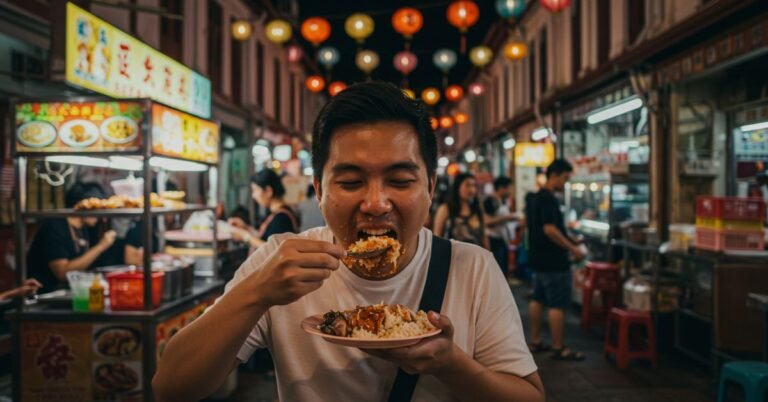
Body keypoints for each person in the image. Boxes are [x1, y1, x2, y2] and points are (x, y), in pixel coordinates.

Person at [153, 82, 544, 402]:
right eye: (351, 182)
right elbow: (170, 386)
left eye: (401, 181)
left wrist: (449, 364)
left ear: (431, 188)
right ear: (318, 190)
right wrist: (255, 294)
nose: (375, 203)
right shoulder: (279, 262)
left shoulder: (471, 267)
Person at [526, 159, 586, 361]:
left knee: (538, 299)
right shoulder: (549, 199)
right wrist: (573, 249)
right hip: (553, 260)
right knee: (557, 304)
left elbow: (545, 227)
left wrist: (570, 238)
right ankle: (558, 347)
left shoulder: (533, 197)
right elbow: (550, 229)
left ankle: (535, 341)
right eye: (565, 178)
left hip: (538, 257)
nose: (565, 183)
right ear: (555, 175)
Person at [27, 183, 117, 292]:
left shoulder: (84, 229)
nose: (100, 216)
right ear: (82, 206)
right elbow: (63, 273)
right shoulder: (54, 226)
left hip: (68, 293)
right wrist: (102, 246)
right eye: (96, 209)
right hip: (44, 295)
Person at [228, 169, 299, 248]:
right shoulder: (277, 214)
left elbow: (272, 249)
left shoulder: (281, 218)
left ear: (268, 191)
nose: (253, 196)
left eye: (255, 190)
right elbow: (265, 238)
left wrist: (245, 236)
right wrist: (246, 228)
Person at [432, 172, 490, 249]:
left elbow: (483, 234)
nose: (472, 189)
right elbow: (437, 235)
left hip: (476, 257)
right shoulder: (445, 209)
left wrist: (488, 253)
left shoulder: (477, 208)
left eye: (474, 186)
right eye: (467, 185)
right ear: (457, 187)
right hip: (453, 257)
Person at [482, 176, 518, 276]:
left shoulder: (501, 200)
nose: (511, 191)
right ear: (501, 188)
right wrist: (507, 218)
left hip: (501, 240)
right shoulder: (490, 201)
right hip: (494, 241)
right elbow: (487, 221)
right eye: (509, 188)